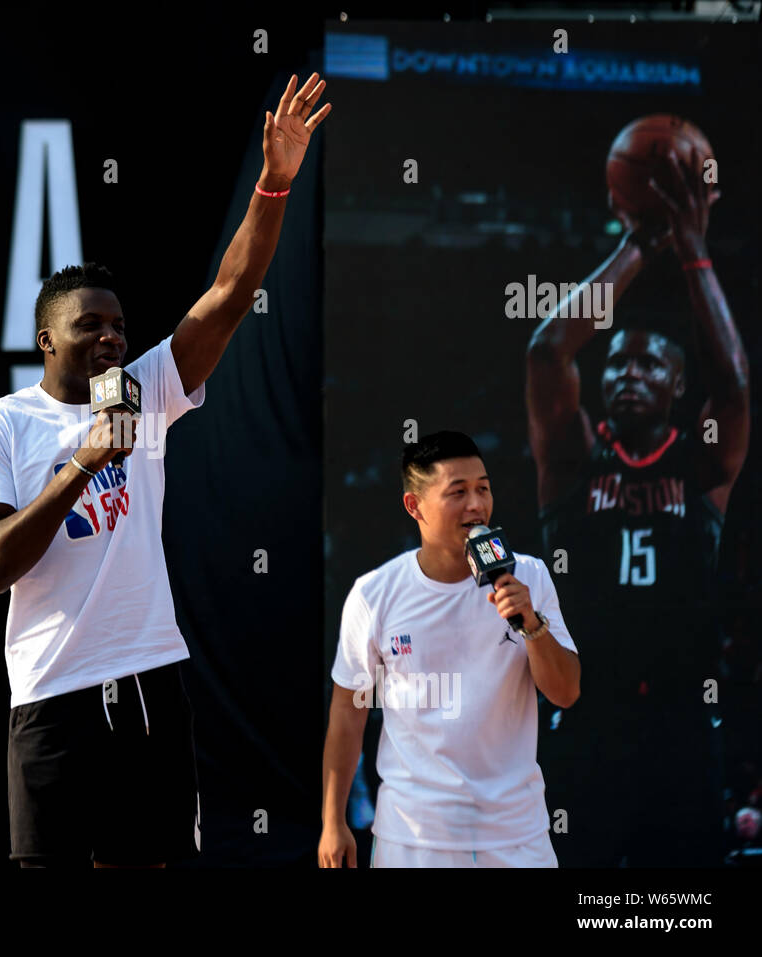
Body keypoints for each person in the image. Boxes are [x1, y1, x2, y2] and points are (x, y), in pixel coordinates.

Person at [0, 73, 332, 867]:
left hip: (151, 680)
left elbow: (229, 295)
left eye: (119, 326)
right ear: (46, 341)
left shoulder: (142, 390)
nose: (110, 339)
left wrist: (274, 182)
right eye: (88, 325)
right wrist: (84, 461)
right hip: (53, 691)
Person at [526, 143, 747, 866]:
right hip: (590, 716)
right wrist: (636, 245)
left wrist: (692, 250)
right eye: (616, 360)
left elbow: (737, 388)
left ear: (678, 389)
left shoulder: (705, 460)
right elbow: (547, 351)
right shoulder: (571, 460)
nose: (625, 371)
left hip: (684, 720)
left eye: (650, 362)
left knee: (681, 905)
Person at [319, 431, 580, 868]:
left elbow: (566, 692)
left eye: (483, 488)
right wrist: (333, 821)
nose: (476, 505)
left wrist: (530, 624)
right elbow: (348, 711)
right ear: (414, 506)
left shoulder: (529, 576)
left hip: (517, 836)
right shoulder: (375, 594)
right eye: (458, 492)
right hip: (413, 840)